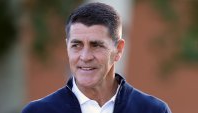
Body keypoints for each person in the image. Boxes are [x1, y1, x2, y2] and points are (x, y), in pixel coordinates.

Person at [22, 2, 171, 113]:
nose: (85, 57)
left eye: (96, 45)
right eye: (77, 45)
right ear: (67, 47)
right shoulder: (38, 111)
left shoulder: (152, 110)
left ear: (118, 50)